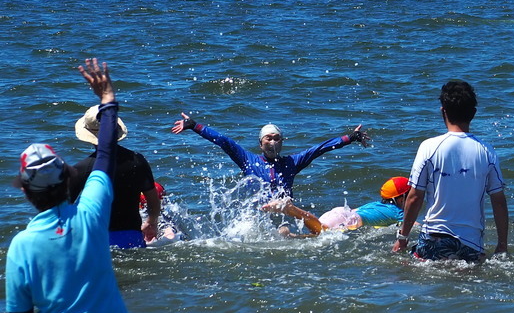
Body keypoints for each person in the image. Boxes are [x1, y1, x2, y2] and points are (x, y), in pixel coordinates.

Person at [6, 59, 138, 313]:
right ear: (67, 179)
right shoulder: (93, 213)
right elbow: (107, 153)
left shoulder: (21, 246)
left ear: (27, 192)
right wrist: (108, 98)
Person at [392, 80, 508, 263]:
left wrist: (402, 238)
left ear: (443, 111)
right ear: (474, 113)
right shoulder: (487, 151)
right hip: (472, 244)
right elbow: (499, 202)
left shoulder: (429, 147)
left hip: (434, 238)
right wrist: (502, 245)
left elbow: (414, 197)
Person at [170, 114, 370, 201]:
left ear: (282, 142)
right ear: (260, 143)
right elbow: (224, 141)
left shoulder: (292, 163)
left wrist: (349, 137)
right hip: (259, 213)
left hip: (285, 210)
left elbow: (318, 149)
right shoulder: (247, 160)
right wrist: (194, 126)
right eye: (268, 138)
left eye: (277, 138)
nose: (272, 142)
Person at [69, 105, 160, 248]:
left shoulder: (83, 168)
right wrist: (150, 222)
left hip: (97, 241)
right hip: (133, 238)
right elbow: (153, 200)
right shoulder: (137, 160)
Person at [266, 176, 412, 237]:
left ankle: (289, 235)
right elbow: (413, 225)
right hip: (348, 219)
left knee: (317, 235)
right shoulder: (397, 212)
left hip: (340, 212)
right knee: (321, 232)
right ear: (401, 199)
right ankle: (292, 209)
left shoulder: (376, 204)